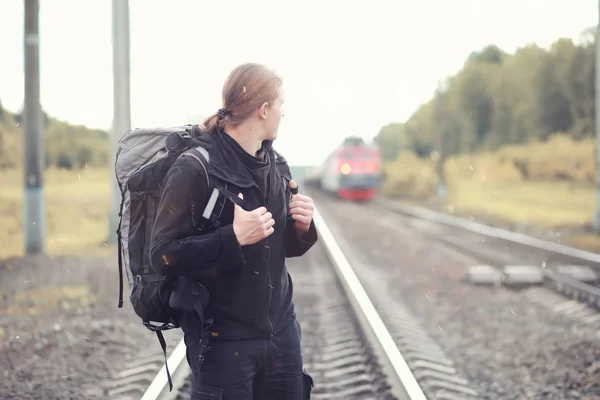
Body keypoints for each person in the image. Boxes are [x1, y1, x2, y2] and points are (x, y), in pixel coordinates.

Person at [149, 62, 318, 399]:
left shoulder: (277, 166)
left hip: (281, 337)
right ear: (264, 109)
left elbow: (277, 248)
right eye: (281, 105)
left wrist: (302, 227)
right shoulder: (195, 168)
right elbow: (162, 255)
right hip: (222, 344)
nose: (283, 113)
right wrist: (233, 237)